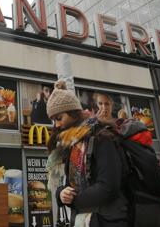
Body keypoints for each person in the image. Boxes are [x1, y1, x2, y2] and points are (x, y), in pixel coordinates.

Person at [46, 80, 128, 227]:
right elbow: (69, 184)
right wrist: (61, 194)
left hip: (108, 221)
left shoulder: (102, 136)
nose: (57, 125)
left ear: (73, 113)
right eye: (53, 121)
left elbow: (108, 187)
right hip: (84, 220)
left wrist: (73, 199)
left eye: (59, 118)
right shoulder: (72, 144)